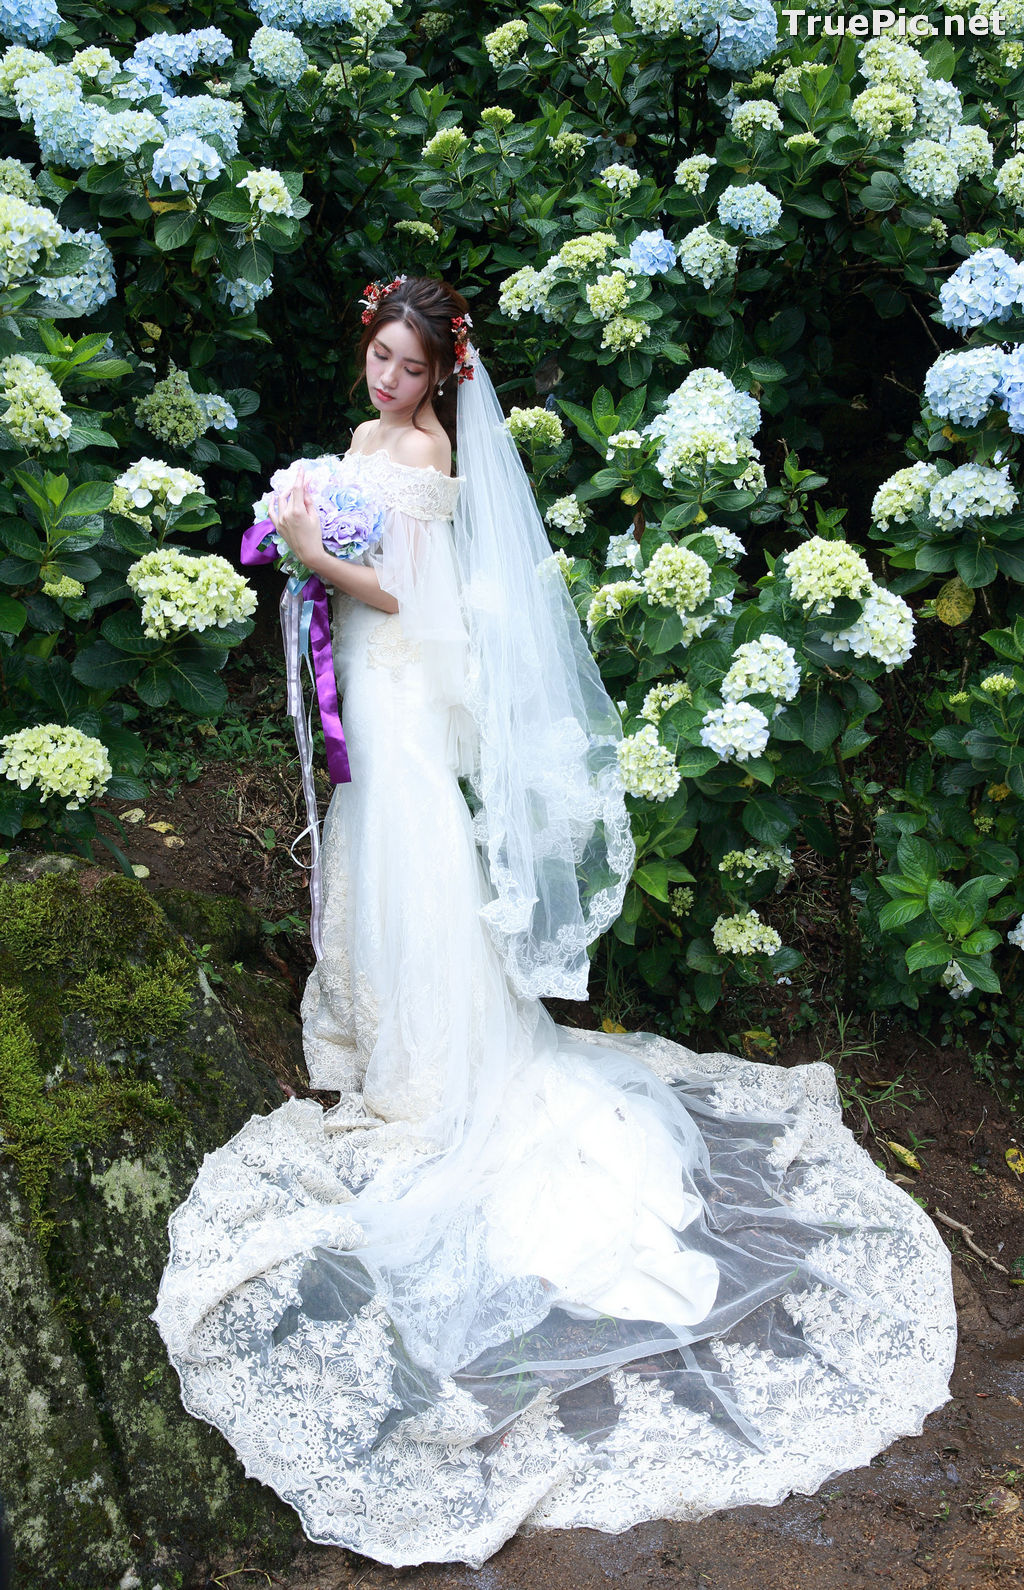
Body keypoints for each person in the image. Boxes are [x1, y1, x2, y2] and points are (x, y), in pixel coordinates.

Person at [152, 276, 957, 1570]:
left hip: (401, 687)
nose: (391, 384)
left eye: (411, 367)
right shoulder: (365, 440)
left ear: (437, 378)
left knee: (409, 867)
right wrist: (308, 540)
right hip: (368, 678)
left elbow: (401, 594)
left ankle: (419, 1065)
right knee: (365, 863)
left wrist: (307, 549)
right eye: (382, 360)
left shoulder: (422, 458)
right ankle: (362, 1039)